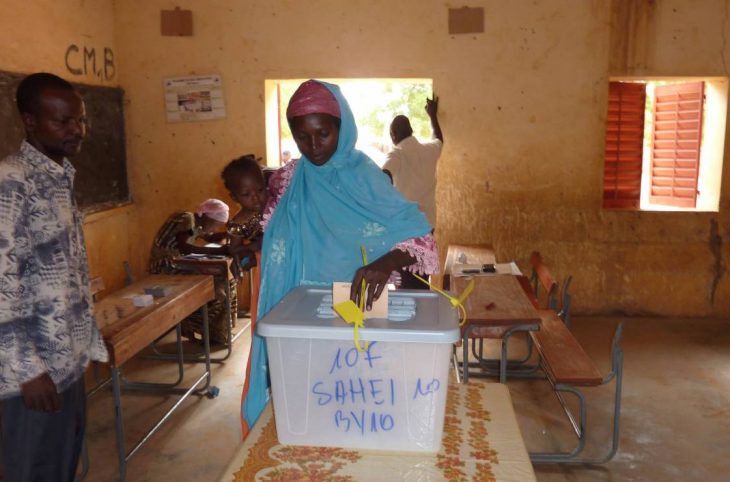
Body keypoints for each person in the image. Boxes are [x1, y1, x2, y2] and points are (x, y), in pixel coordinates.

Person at [240, 79, 439, 436]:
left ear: (341, 127)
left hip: (358, 307)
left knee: (357, 403)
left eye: (323, 134)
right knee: (307, 407)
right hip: (299, 311)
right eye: (302, 136)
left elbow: (420, 236)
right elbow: (277, 231)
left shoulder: (365, 176)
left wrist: (385, 263)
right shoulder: (289, 180)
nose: (313, 147)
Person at [0, 72, 108, 481]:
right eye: (61, 122)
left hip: (67, 362)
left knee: (62, 467)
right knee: (35, 470)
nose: (75, 130)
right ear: (30, 121)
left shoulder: (59, 177)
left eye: (78, 120)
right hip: (34, 374)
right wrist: (28, 370)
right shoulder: (12, 181)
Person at [148, 198, 237, 344]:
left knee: (227, 282)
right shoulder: (187, 219)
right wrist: (220, 250)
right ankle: (190, 322)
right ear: (208, 217)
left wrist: (231, 235)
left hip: (181, 265)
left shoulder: (198, 225)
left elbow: (212, 236)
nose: (215, 229)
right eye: (216, 225)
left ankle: (217, 332)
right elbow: (184, 247)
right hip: (166, 267)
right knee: (217, 289)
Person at [383, 95, 444, 229]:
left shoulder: (396, 154)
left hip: (405, 225)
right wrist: (432, 115)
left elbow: (384, 174)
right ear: (411, 131)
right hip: (428, 224)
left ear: (393, 135)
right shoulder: (429, 151)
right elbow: (439, 138)